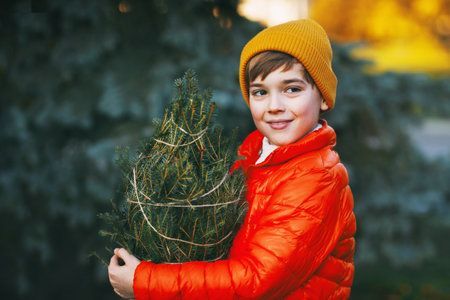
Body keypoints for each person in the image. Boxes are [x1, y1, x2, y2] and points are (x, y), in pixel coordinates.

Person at [108, 19, 356, 299]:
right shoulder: (254, 160)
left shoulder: (315, 177)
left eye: (292, 89)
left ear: (323, 96)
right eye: (260, 92)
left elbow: (256, 279)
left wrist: (146, 281)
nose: (275, 106)